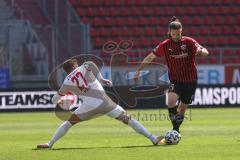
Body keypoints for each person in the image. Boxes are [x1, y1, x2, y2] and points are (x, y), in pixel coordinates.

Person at [37, 58, 162, 148]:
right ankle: (153, 138)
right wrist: (101, 78)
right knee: (129, 120)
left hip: (87, 107)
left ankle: (50, 143)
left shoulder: (66, 81)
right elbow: (91, 64)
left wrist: (59, 96)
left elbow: (55, 99)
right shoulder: (84, 66)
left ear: (66, 71)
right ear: (75, 65)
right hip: (105, 103)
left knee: (68, 123)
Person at [134, 16, 209, 144]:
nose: (176, 36)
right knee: (170, 101)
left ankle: (176, 129)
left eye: (178, 34)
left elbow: (203, 50)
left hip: (190, 80)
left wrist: (202, 51)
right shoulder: (165, 45)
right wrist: (139, 69)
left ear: (181, 31)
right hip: (175, 80)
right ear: (169, 32)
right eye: (173, 34)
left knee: (182, 108)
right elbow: (151, 57)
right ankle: (175, 131)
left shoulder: (189, 42)